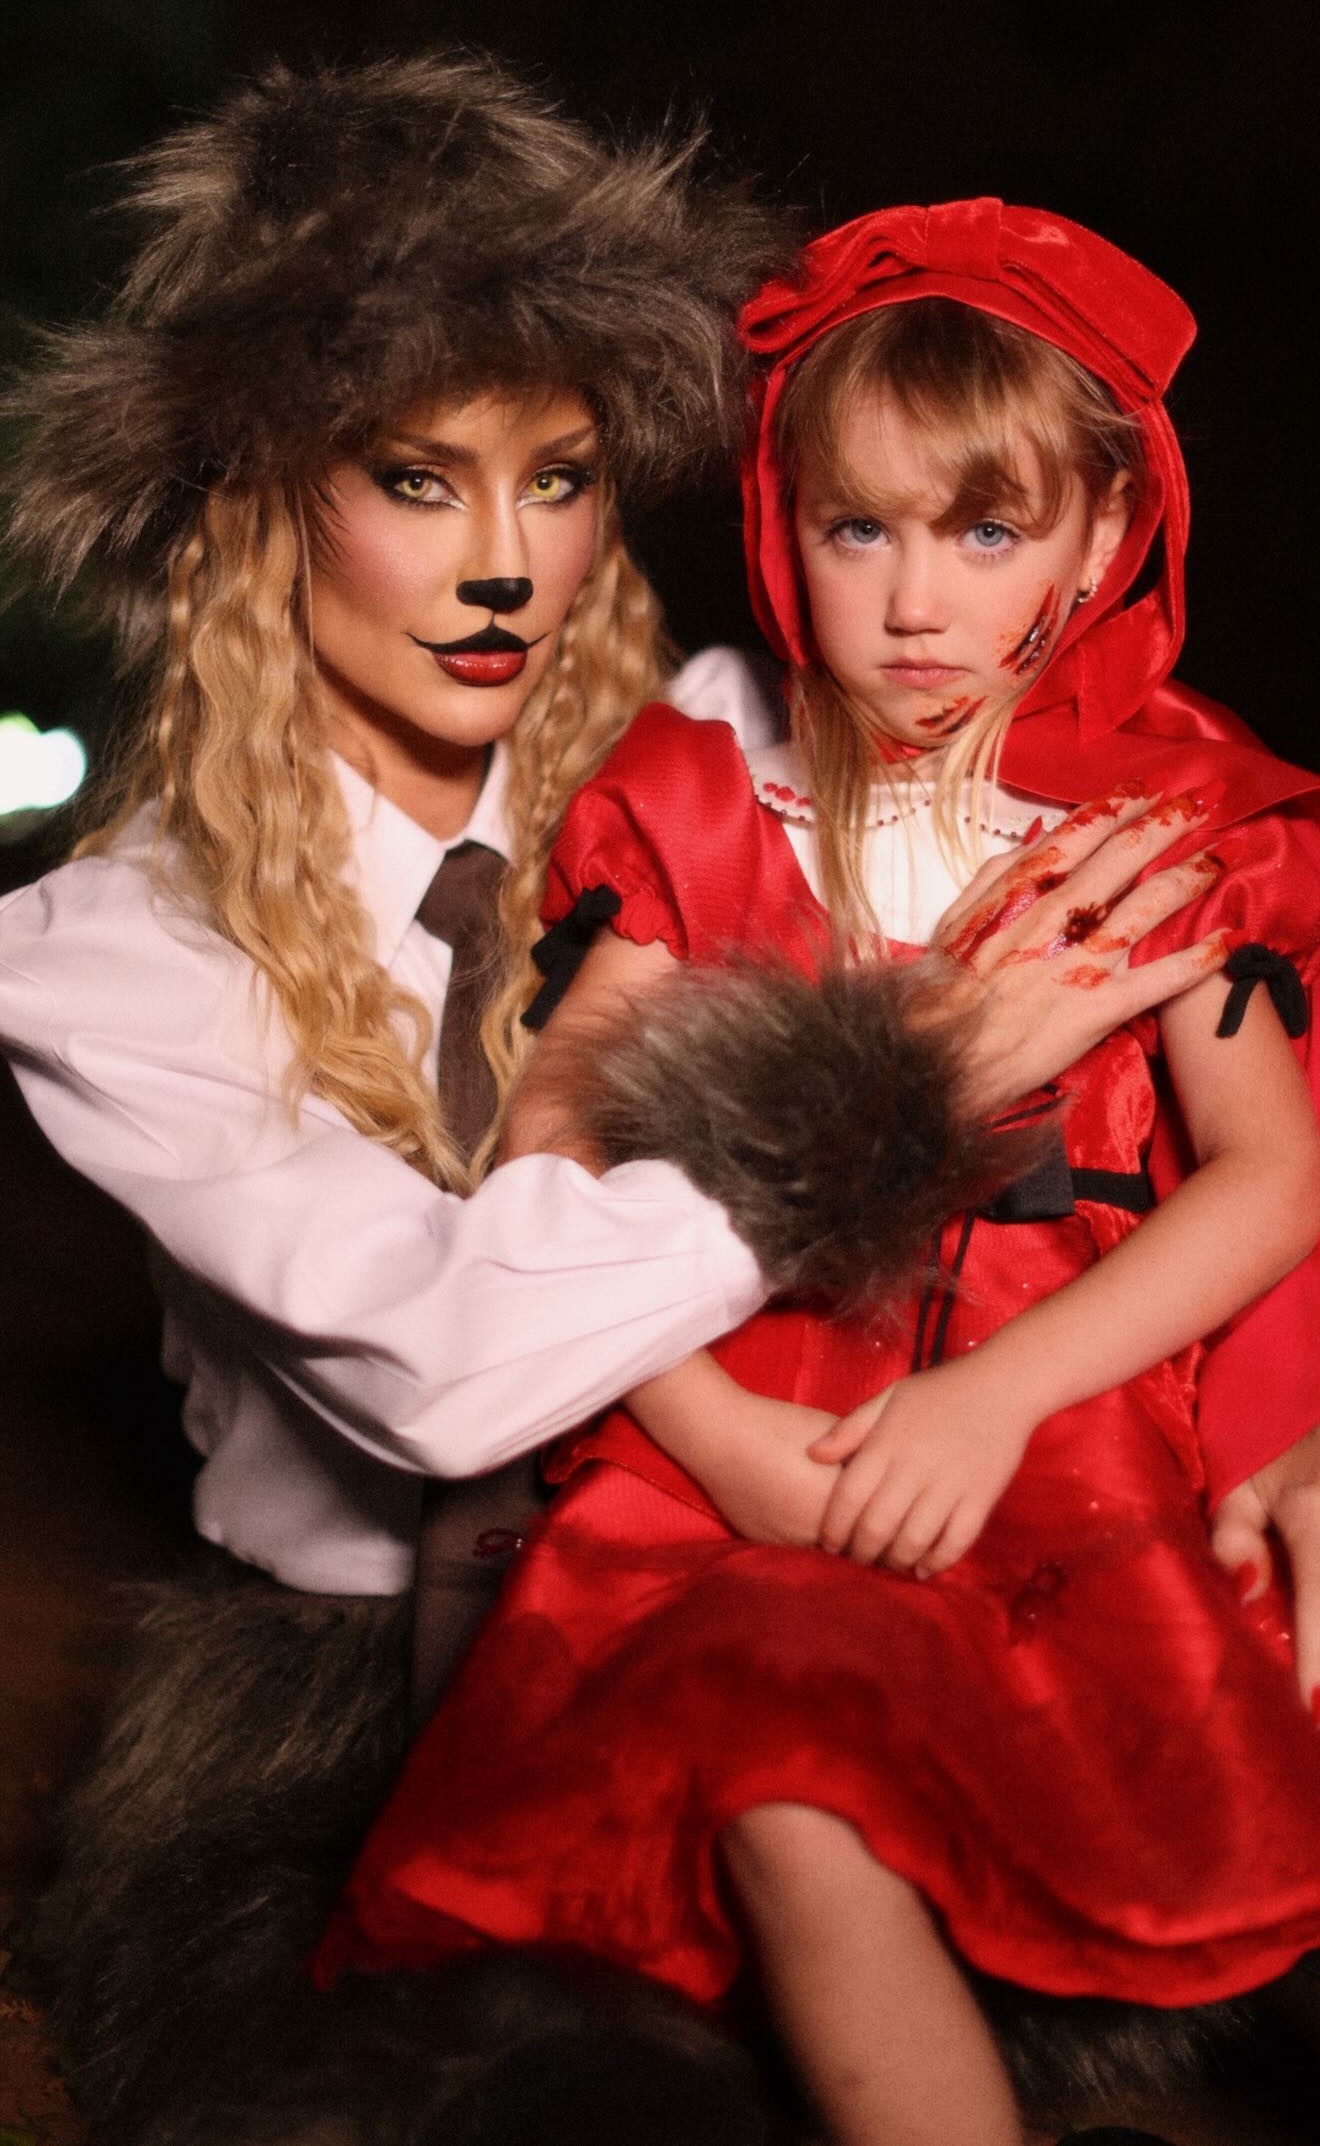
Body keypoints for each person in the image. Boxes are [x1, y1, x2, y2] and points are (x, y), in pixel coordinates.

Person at [0, 70, 1220, 2138]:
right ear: (257, 499)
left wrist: (1285, 1419)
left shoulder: (741, 752)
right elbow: (449, 1363)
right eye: (417, 479)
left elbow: (1152, 1116)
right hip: (349, 1698)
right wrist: (899, 1072)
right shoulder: (101, 954)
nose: (504, 565)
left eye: (557, 480)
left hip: (831, 1588)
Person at [315, 203, 1320, 2146]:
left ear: (1105, 534)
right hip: (732, 1447)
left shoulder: (1148, 827)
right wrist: (716, 1437)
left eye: (986, 532)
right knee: (778, 1764)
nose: (917, 602)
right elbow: (548, 1152)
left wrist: (994, 1395)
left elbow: (1271, 1176)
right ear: (787, 526)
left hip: (1053, 1447)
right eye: (861, 530)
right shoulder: (707, 799)